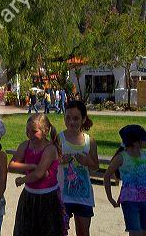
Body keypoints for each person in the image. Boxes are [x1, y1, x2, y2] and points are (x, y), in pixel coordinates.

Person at [9, 114, 67, 236]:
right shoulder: (25, 145)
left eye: (34, 131)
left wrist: (22, 179)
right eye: (27, 131)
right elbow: (12, 165)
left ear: (45, 131)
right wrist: (30, 166)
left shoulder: (50, 149)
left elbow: (39, 174)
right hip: (29, 196)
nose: (29, 134)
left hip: (48, 198)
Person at [58, 101, 98, 236]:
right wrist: (59, 161)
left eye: (76, 118)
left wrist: (87, 161)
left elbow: (96, 166)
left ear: (84, 119)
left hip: (84, 196)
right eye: (68, 117)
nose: (71, 122)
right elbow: (49, 162)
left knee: (83, 232)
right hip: (63, 196)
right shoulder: (58, 139)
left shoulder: (89, 142)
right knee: (60, 231)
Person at [104, 125, 146, 236]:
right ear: (135, 142)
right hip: (130, 201)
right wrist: (110, 197)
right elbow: (107, 175)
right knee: (136, 233)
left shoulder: (145, 155)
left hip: (145, 200)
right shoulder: (121, 157)